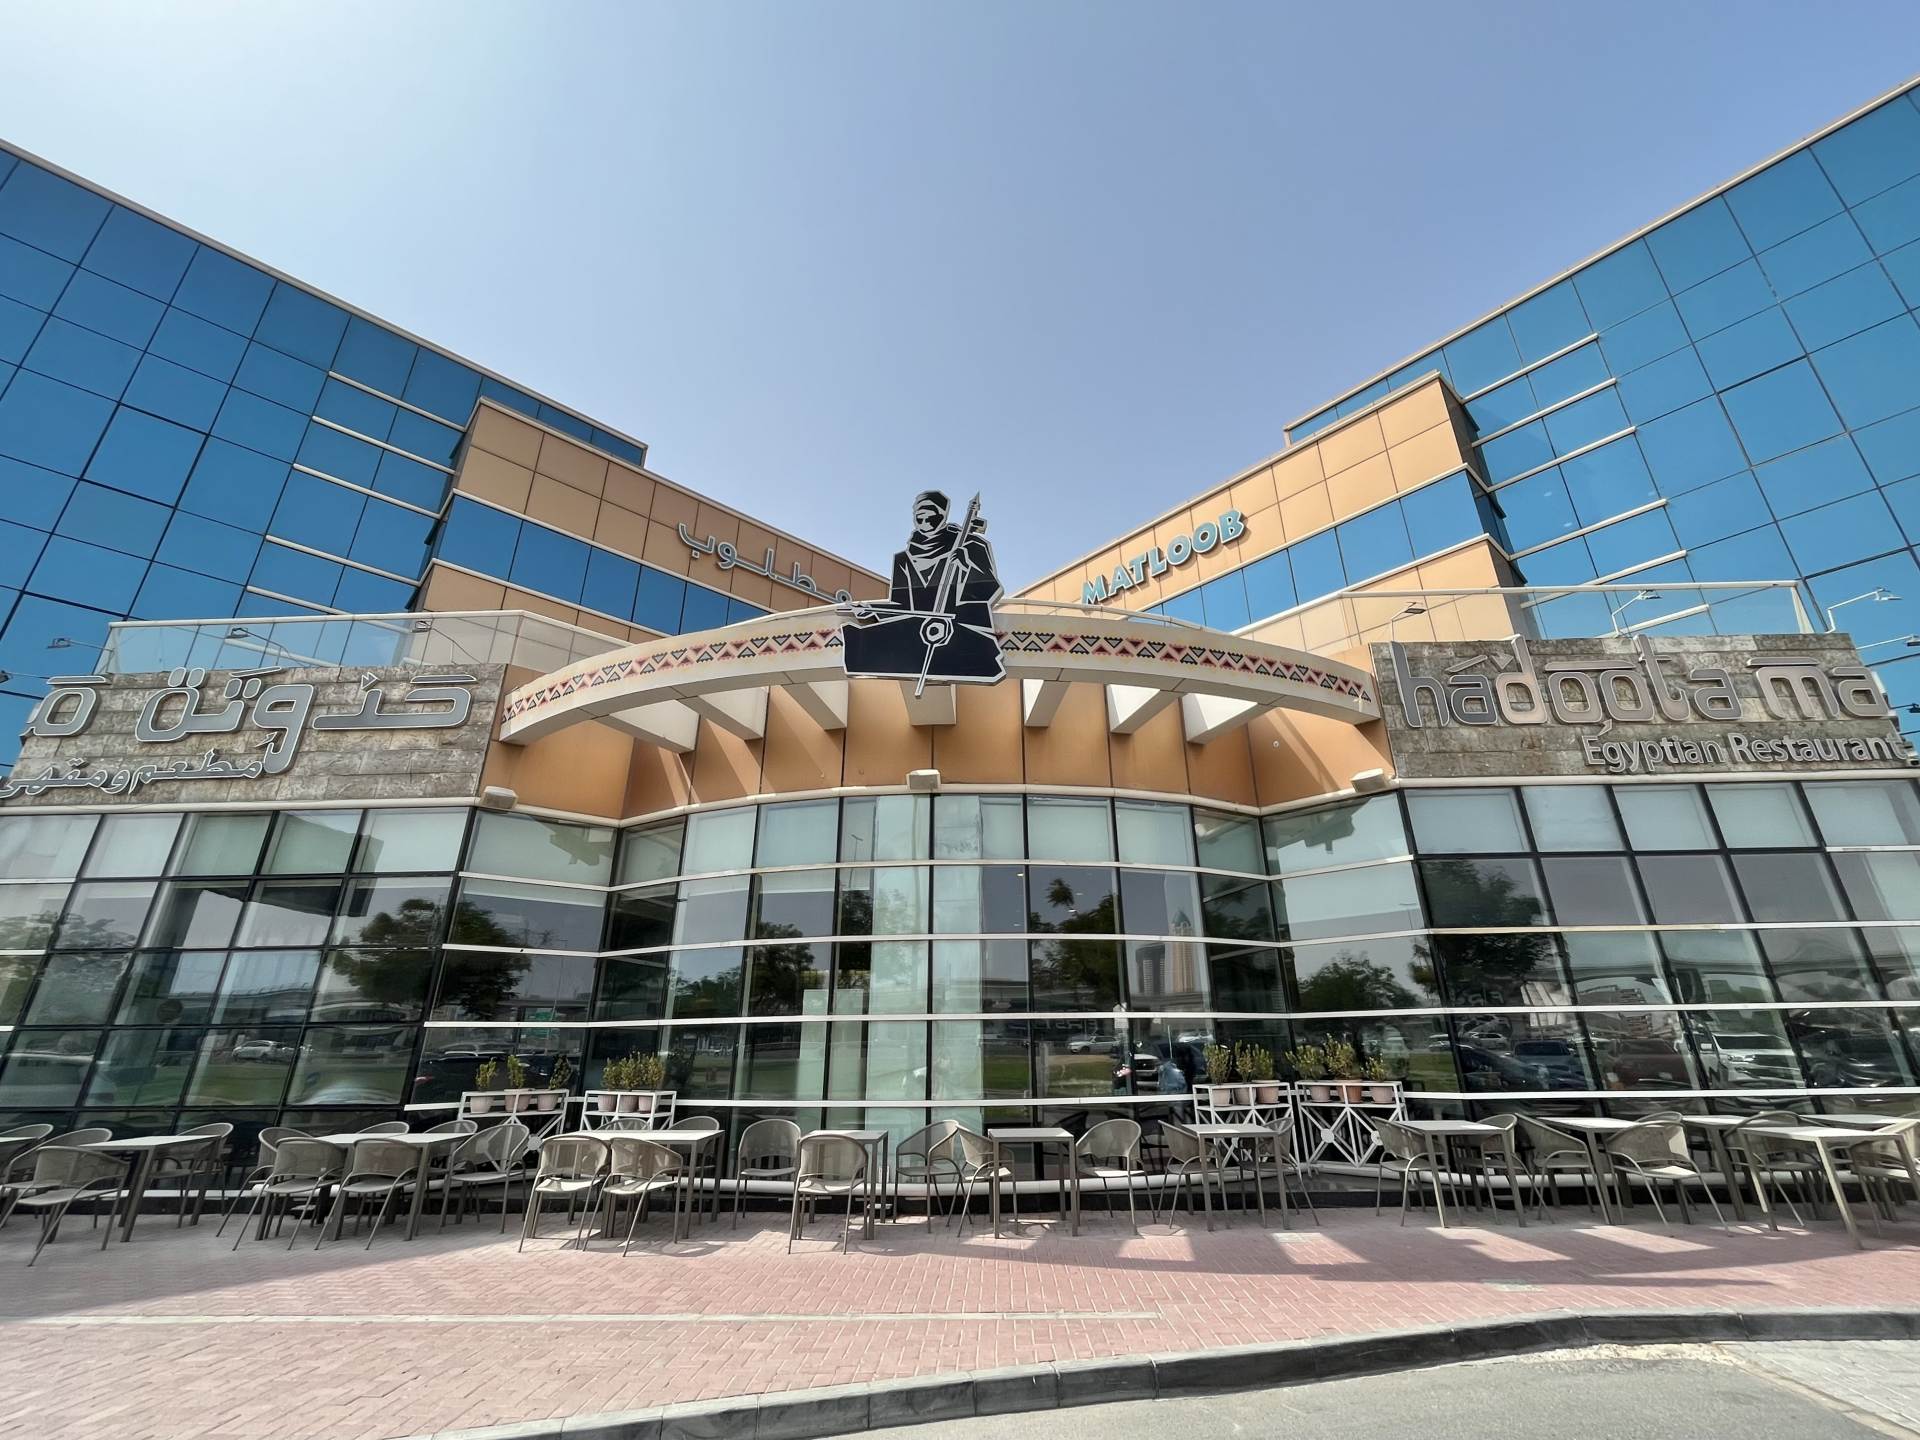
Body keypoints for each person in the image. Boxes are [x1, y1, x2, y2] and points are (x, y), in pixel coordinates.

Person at [841, 490, 1005, 685]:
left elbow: (990, 589)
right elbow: (902, 608)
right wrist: (871, 611)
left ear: (943, 514)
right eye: (919, 516)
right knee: (860, 644)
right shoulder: (903, 559)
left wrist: (968, 566)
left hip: (963, 632)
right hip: (919, 636)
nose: (925, 521)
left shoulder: (970, 545)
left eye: (930, 515)